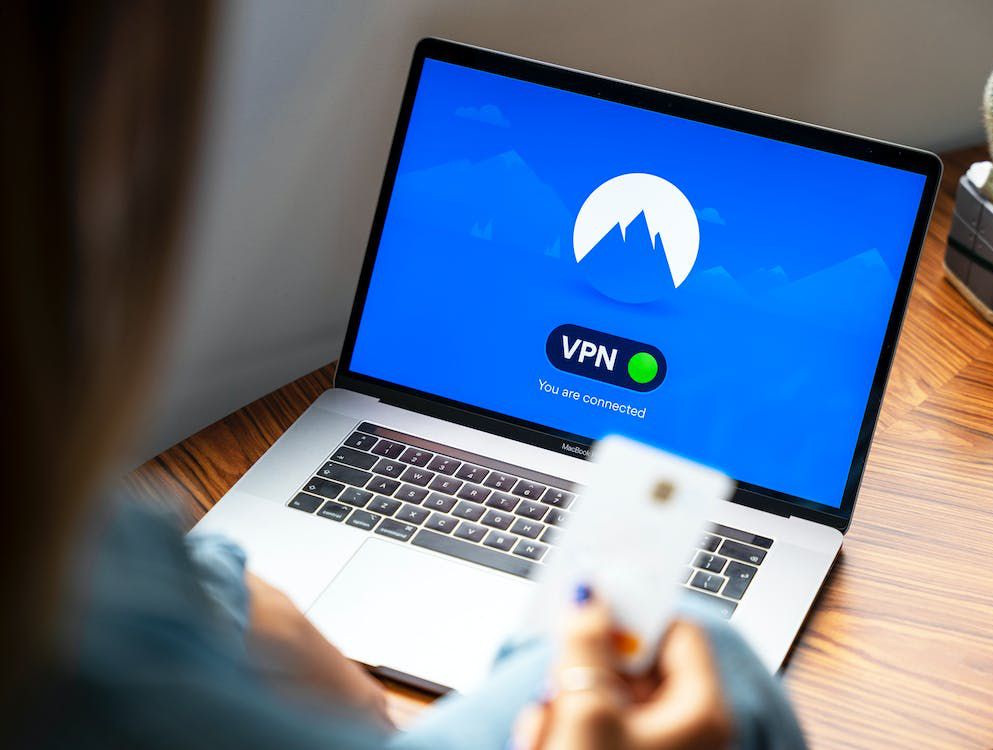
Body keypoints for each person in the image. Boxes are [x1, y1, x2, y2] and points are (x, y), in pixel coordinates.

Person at [0, 3, 806, 749]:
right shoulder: (86, 675)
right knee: (707, 650)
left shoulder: (83, 542)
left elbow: (124, 551)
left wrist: (226, 595)